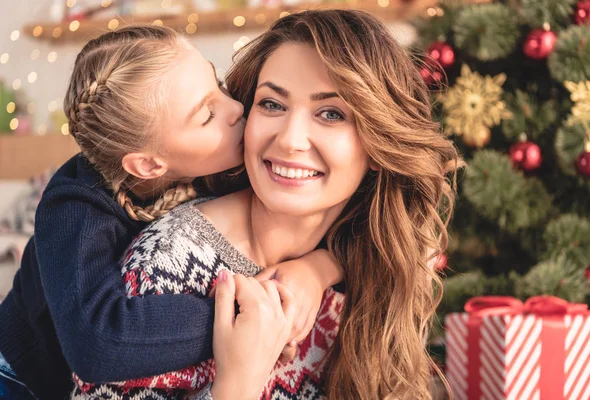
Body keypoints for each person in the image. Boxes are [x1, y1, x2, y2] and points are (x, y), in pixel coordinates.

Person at [76, 10, 463, 399]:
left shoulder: (372, 263)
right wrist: (237, 384)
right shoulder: (169, 267)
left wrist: (321, 269)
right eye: (273, 104)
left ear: (380, 143)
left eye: (331, 114)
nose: (290, 140)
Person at [0, 25, 342, 399]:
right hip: (23, 377)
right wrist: (246, 320)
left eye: (218, 84)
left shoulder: (224, 159)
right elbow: (98, 342)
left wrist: (318, 268)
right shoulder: (74, 207)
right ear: (148, 165)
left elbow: (357, 225)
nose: (237, 107)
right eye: (207, 115)